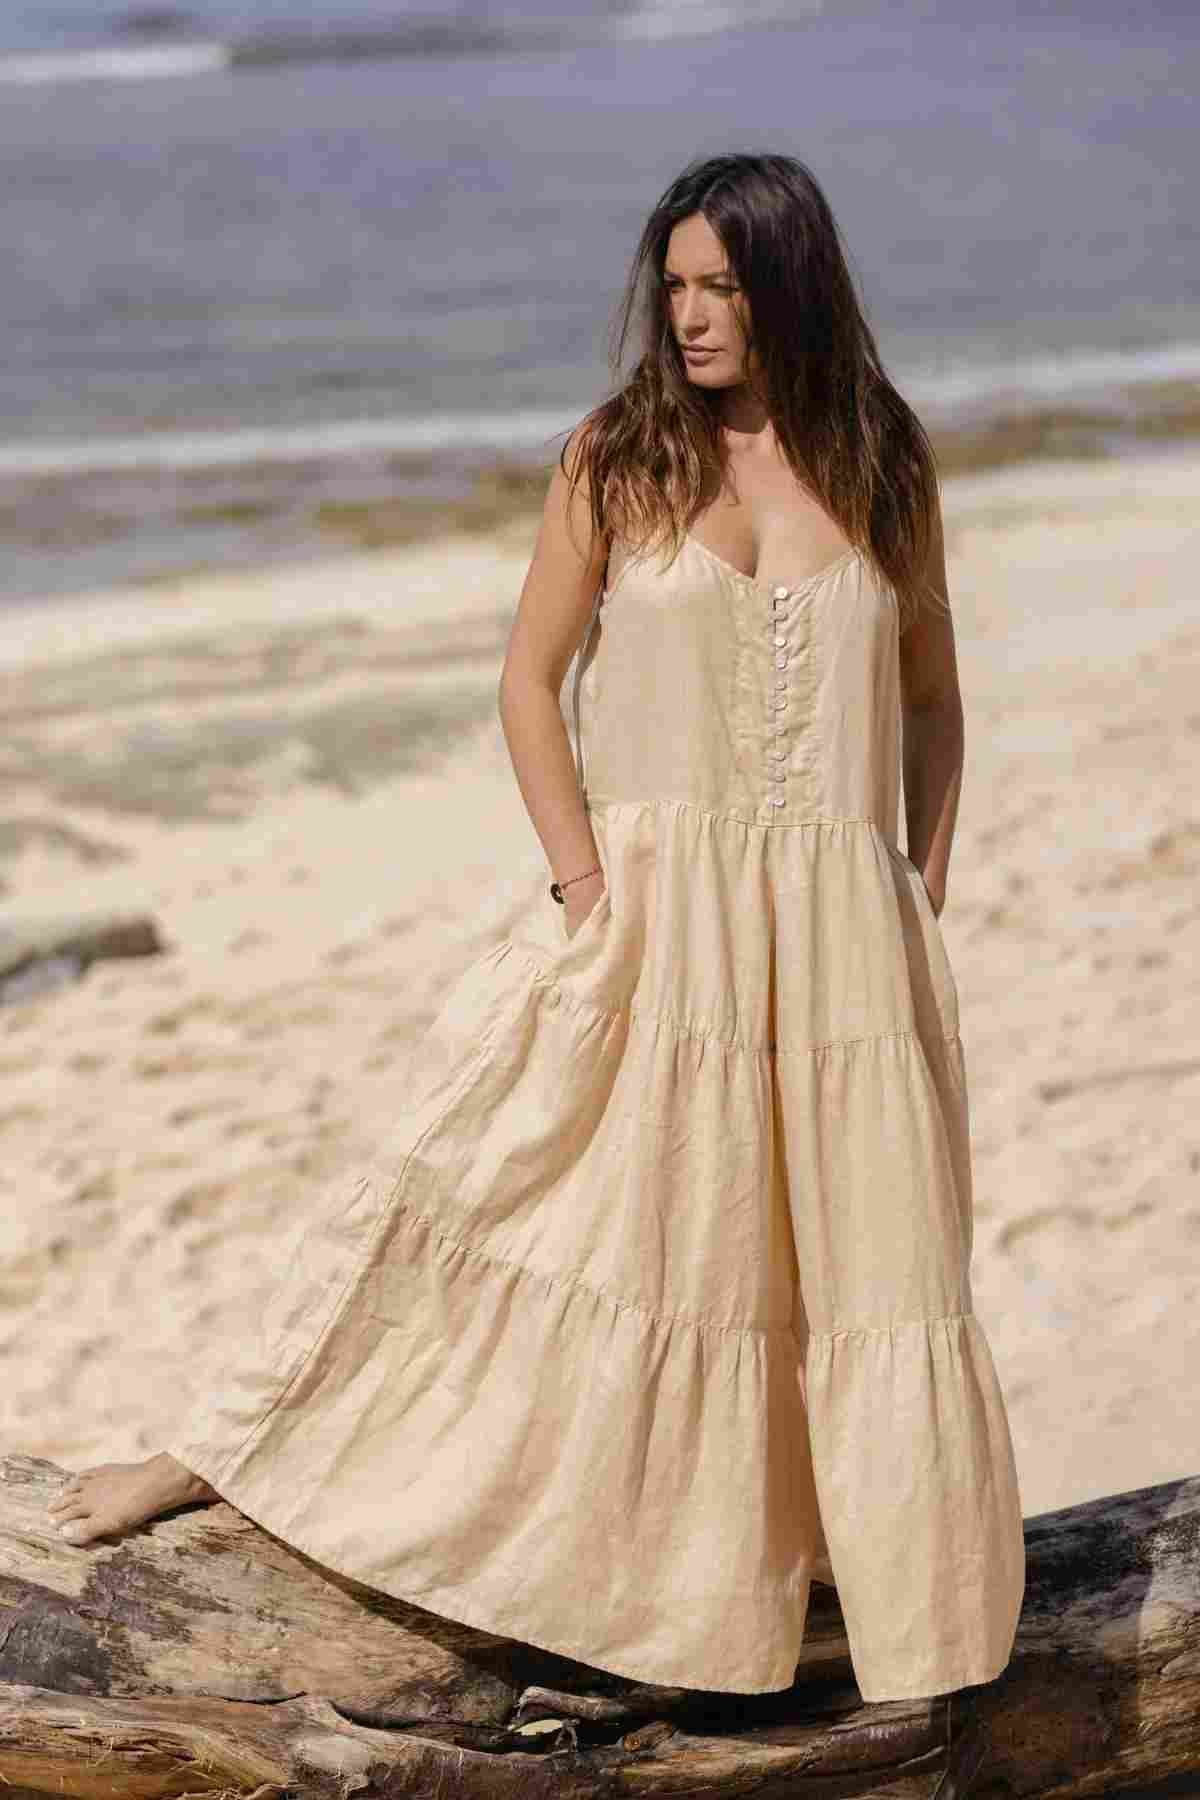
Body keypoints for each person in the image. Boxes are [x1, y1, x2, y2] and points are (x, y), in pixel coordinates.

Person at [48, 151, 1025, 1707]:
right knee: (506, 1186)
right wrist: (581, 880)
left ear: (792, 288)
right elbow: (528, 680)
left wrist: (919, 891)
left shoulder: (883, 463)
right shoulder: (620, 454)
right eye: (676, 285)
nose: (690, 316)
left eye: (723, 286)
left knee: (827, 1260)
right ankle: (226, 1454)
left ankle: (803, 1580)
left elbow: (931, 699)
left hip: (842, 929)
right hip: (652, 914)